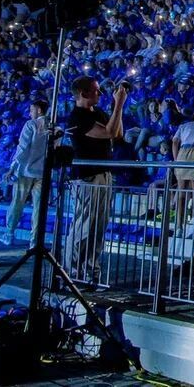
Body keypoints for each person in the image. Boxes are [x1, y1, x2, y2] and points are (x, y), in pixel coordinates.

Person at [65, 75, 126, 284]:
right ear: (83, 94)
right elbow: (108, 132)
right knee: (84, 225)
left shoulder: (98, 112)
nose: (100, 93)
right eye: (96, 90)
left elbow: (117, 134)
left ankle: (91, 272)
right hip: (87, 177)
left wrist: (118, 108)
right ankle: (73, 270)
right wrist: (118, 103)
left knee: (99, 225)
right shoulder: (77, 117)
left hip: (104, 173)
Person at [0, 99, 50, 247]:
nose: (29, 113)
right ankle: (34, 242)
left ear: (39, 110)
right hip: (42, 173)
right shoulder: (54, 128)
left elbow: (22, 149)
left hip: (25, 171)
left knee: (17, 203)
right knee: (38, 208)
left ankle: (9, 233)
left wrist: (12, 168)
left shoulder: (31, 125)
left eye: (31, 109)